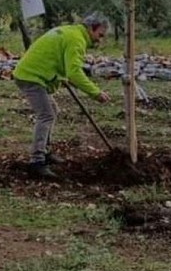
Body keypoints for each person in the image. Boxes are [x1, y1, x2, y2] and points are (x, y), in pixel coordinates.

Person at [13, 12, 111, 178]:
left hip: (33, 73)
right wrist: (96, 93)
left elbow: (58, 58)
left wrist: (62, 76)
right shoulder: (77, 40)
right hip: (30, 76)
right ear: (92, 29)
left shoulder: (70, 31)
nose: (99, 40)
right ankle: (36, 162)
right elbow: (74, 72)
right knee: (46, 115)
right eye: (100, 35)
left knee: (52, 109)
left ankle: (44, 151)